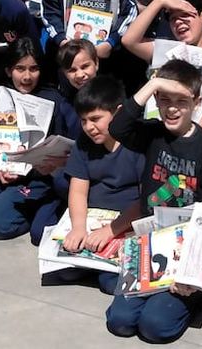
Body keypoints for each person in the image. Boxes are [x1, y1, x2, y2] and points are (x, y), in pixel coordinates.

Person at [105, 59, 202, 343]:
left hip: (189, 252)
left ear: (197, 102)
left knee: (155, 328)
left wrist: (191, 273)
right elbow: (118, 128)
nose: (172, 108)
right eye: (165, 100)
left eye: (181, 101)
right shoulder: (152, 134)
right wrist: (154, 83)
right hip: (151, 245)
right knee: (120, 322)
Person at [0, 38, 82, 244]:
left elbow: (63, 145)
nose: (27, 76)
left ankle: (36, 211)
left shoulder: (53, 99)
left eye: (33, 69)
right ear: (9, 70)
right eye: (20, 69)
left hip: (35, 178)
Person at [52, 75, 144, 294]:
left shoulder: (138, 143)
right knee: (64, 269)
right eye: (84, 121)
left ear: (118, 112)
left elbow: (146, 199)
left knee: (111, 284)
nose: (89, 127)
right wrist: (78, 227)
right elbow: (78, 190)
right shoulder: (84, 144)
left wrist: (111, 230)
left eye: (95, 119)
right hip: (94, 218)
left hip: (126, 222)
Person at [121, 0, 202, 134]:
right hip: (156, 138)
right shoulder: (166, 50)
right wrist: (160, 0)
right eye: (173, 18)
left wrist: (185, 134)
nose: (178, 22)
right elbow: (129, 40)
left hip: (192, 143)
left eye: (185, 15)